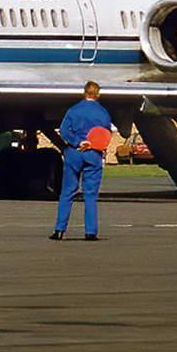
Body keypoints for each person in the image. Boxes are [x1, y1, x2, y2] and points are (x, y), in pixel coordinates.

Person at [51, 81, 112, 241]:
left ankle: (59, 229)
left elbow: (64, 130)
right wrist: (92, 144)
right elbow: (105, 133)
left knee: (67, 192)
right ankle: (91, 232)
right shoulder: (103, 113)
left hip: (74, 153)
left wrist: (78, 142)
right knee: (90, 194)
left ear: (84, 93)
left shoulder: (74, 110)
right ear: (97, 94)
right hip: (93, 154)